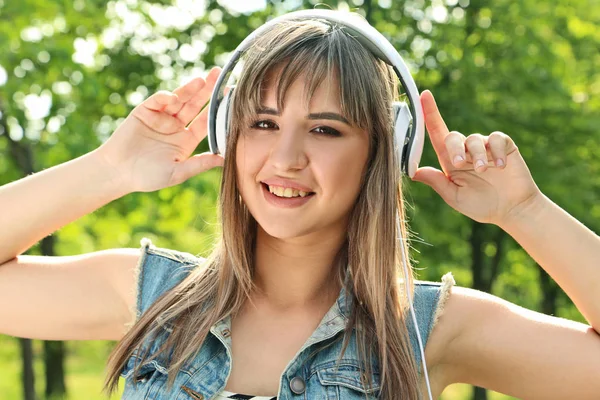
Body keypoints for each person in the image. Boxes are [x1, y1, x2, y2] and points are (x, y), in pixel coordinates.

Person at [1, 10, 599, 400]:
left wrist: (526, 213)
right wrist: (108, 171)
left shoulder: (428, 329)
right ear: (229, 135)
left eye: (325, 129)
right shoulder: (150, 294)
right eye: (262, 122)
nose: (284, 158)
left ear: (384, 151)